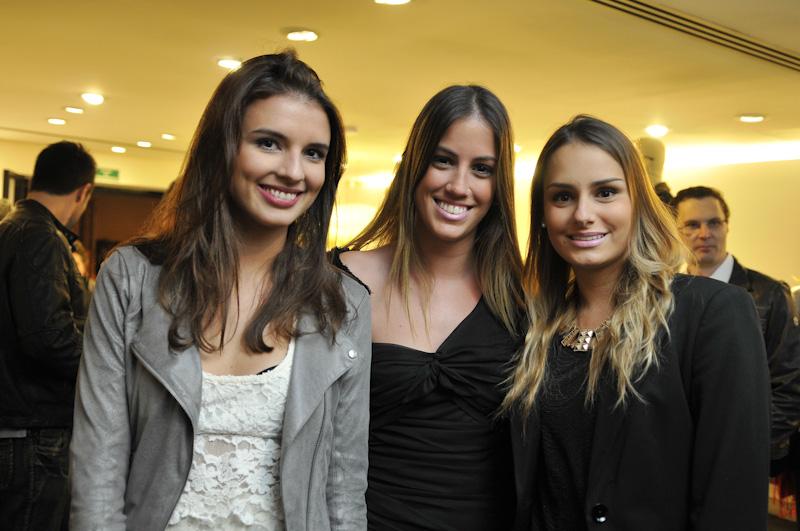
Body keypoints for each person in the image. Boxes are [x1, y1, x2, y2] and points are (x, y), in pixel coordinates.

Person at [70, 52, 371, 530]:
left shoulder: (343, 303)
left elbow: (344, 489)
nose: (294, 171)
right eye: (269, 143)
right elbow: (97, 471)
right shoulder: (131, 278)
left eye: (314, 153)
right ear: (223, 147)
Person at [504, 115, 770, 530]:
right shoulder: (535, 327)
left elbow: (732, 497)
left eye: (605, 192)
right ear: (542, 215)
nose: (583, 214)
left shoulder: (710, 313)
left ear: (638, 204)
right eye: (562, 197)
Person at [334, 85, 525, 531]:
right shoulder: (337, 283)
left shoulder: (521, 304)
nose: (459, 186)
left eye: (482, 169)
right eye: (443, 160)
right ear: (414, 165)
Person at [0, 141, 94, 530]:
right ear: (84, 192)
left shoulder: (11, 227)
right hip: (32, 432)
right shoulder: (40, 236)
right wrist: (105, 368)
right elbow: (48, 338)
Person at [673, 185, 800, 463]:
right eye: (692, 225)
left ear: (727, 226)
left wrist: (748, 451)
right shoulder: (660, 295)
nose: (704, 233)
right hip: (675, 460)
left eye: (714, 223)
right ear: (675, 231)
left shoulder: (770, 294)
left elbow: (790, 386)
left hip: (743, 456)